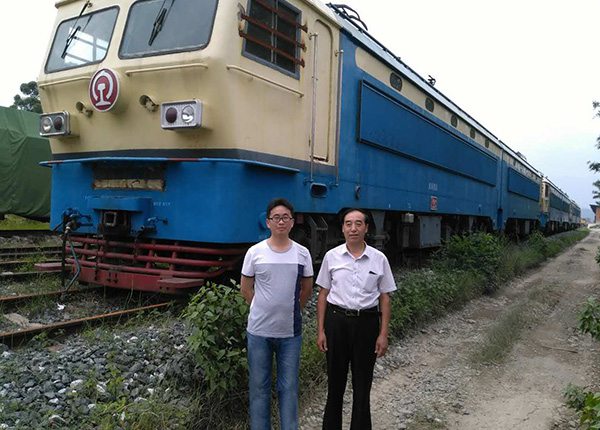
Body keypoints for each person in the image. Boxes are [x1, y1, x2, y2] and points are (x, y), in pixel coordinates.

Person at [316, 208, 396, 430]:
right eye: (348, 223)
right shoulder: (331, 257)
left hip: (367, 324)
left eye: (358, 223)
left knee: (362, 385)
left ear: (366, 228)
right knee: (335, 384)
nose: (353, 228)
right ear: (342, 228)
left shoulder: (379, 259)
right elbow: (323, 295)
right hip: (336, 323)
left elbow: (385, 298)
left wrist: (383, 334)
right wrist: (321, 330)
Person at [240, 198, 314, 430]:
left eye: (285, 218)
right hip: (258, 333)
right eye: (276, 218)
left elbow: (307, 288)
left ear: (292, 223)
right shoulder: (255, 252)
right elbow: (246, 288)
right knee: (259, 388)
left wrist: (293, 309)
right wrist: (261, 307)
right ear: (268, 222)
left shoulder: (302, 254)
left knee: (289, 387)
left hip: (290, 333)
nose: (281, 221)